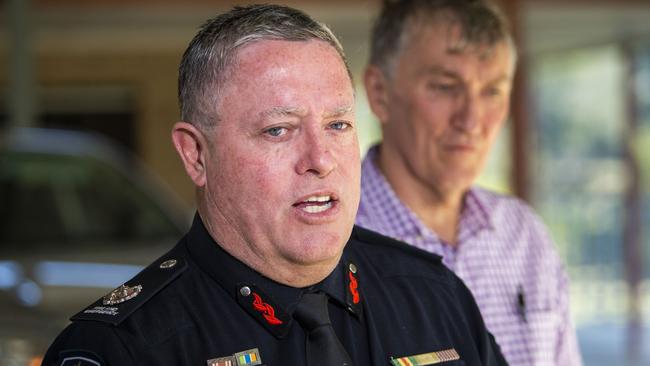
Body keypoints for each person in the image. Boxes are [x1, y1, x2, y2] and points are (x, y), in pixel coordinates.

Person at [42, 4, 507, 366]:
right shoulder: (122, 350)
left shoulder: (436, 297)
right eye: (278, 130)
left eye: (338, 125)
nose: (320, 160)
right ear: (196, 155)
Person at [357, 0, 582, 365]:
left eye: (492, 91)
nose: (472, 119)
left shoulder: (524, 235)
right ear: (380, 93)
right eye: (445, 87)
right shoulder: (330, 242)